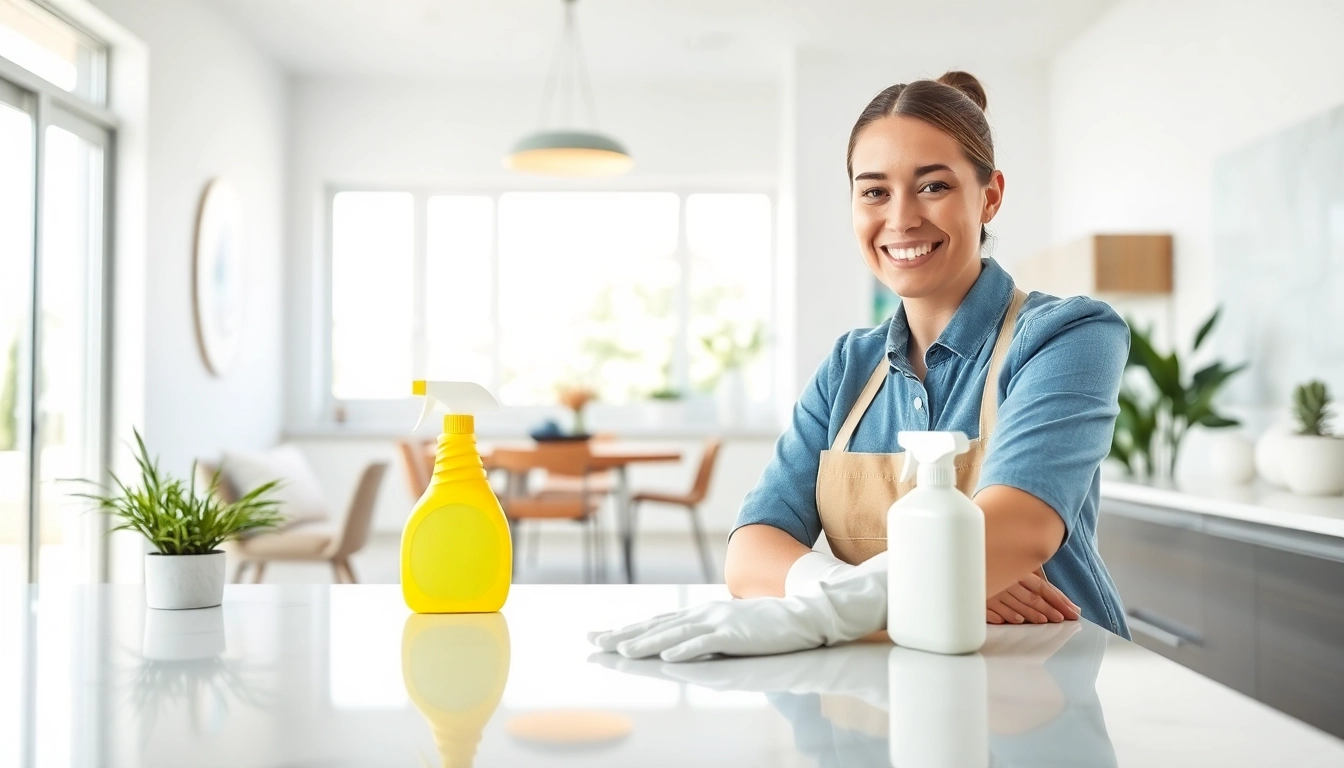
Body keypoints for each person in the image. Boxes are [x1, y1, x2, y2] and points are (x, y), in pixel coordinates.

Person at [591, 71, 1129, 662]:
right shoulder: (849, 366)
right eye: (874, 191)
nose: (900, 219)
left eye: (933, 187)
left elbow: (1018, 530)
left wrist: (828, 609)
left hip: (1046, 687)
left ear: (990, 196)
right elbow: (751, 548)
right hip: (879, 688)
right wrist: (874, 588)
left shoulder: (1067, 335)